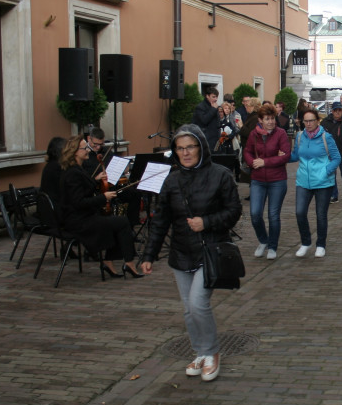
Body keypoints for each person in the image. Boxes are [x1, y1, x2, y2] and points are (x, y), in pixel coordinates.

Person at [140, 124, 241, 383]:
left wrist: (206, 222)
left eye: (190, 147)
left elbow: (233, 211)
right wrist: (148, 255)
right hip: (181, 252)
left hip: (210, 250)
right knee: (188, 309)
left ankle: (211, 352)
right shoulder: (171, 180)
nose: (185, 153)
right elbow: (160, 220)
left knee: (198, 304)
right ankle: (199, 352)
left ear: (201, 147)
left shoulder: (220, 175)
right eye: (180, 148)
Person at [58, 135, 143, 279]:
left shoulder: (76, 169)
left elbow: (82, 190)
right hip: (78, 221)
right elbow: (79, 202)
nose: (88, 150)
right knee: (122, 222)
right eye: (85, 148)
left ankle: (110, 262)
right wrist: (104, 197)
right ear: (75, 152)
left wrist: (95, 181)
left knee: (115, 220)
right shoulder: (72, 174)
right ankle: (128, 262)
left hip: (82, 217)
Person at [289, 108, 341, 258]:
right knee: (300, 212)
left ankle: (320, 244)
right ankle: (306, 242)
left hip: (323, 182)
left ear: (317, 121)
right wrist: (284, 156)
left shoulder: (326, 137)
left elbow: (336, 158)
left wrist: (325, 171)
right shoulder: (300, 136)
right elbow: (296, 155)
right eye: (306, 121)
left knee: (320, 214)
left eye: (312, 120)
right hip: (303, 181)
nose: (309, 123)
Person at [243, 104, 290, 260]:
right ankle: (263, 240)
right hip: (258, 180)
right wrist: (252, 162)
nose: (270, 122)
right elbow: (247, 151)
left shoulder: (281, 134)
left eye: (272, 118)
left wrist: (265, 162)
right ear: (260, 120)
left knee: (273, 215)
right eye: (267, 119)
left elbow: (285, 156)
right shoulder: (253, 134)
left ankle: (272, 246)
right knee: (255, 213)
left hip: (277, 179)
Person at [39, 136, 66, 204]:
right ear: (62, 151)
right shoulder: (57, 167)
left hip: (49, 207)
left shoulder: (50, 165)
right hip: (57, 208)